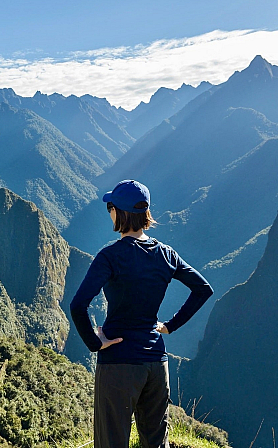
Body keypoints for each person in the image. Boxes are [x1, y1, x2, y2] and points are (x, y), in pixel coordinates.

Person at [70, 179, 213, 448]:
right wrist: (170, 326)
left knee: (111, 442)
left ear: (119, 213)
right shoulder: (166, 254)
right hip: (157, 364)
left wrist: (95, 342)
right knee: (156, 443)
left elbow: (78, 305)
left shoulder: (110, 256)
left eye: (110, 206)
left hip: (118, 363)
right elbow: (203, 289)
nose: (109, 211)